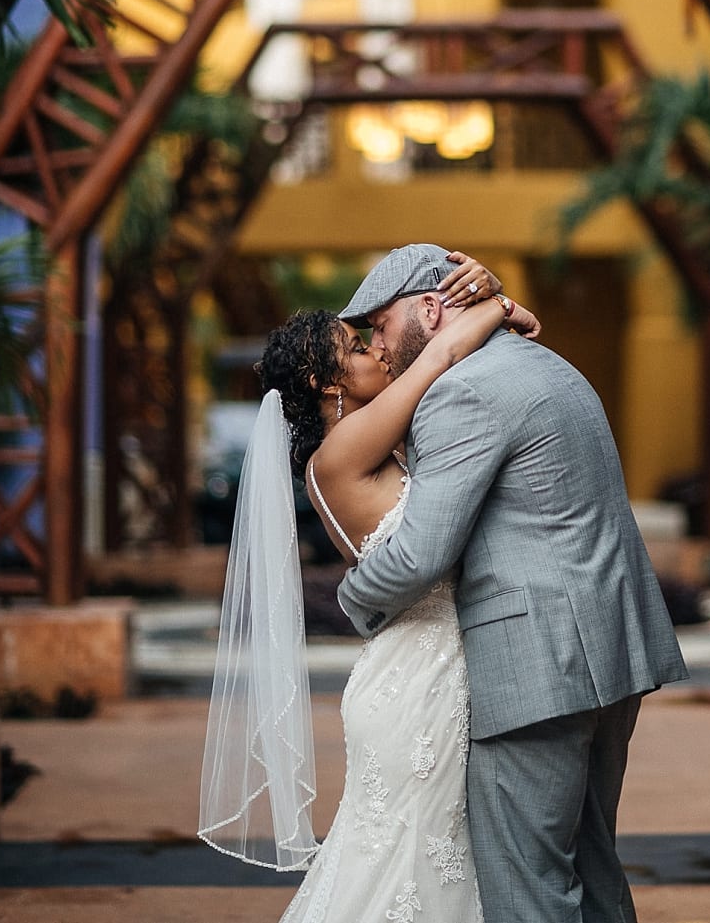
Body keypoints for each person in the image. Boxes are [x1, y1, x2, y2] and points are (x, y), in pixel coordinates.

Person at [335, 243, 688, 922]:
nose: (376, 347)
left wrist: (349, 596)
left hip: (537, 670)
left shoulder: (460, 390)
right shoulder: (539, 360)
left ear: (431, 308)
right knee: (590, 866)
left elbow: (418, 555)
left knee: (527, 888)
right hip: (608, 650)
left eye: (379, 326)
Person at [200, 249, 537, 921]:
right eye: (356, 348)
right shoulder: (343, 451)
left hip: (428, 671)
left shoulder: (373, 440)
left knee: (420, 860)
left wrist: (512, 312)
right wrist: (497, 303)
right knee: (404, 865)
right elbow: (440, 357)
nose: (377, 355)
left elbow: (475, 374)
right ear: (327, 383)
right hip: (417, 683)